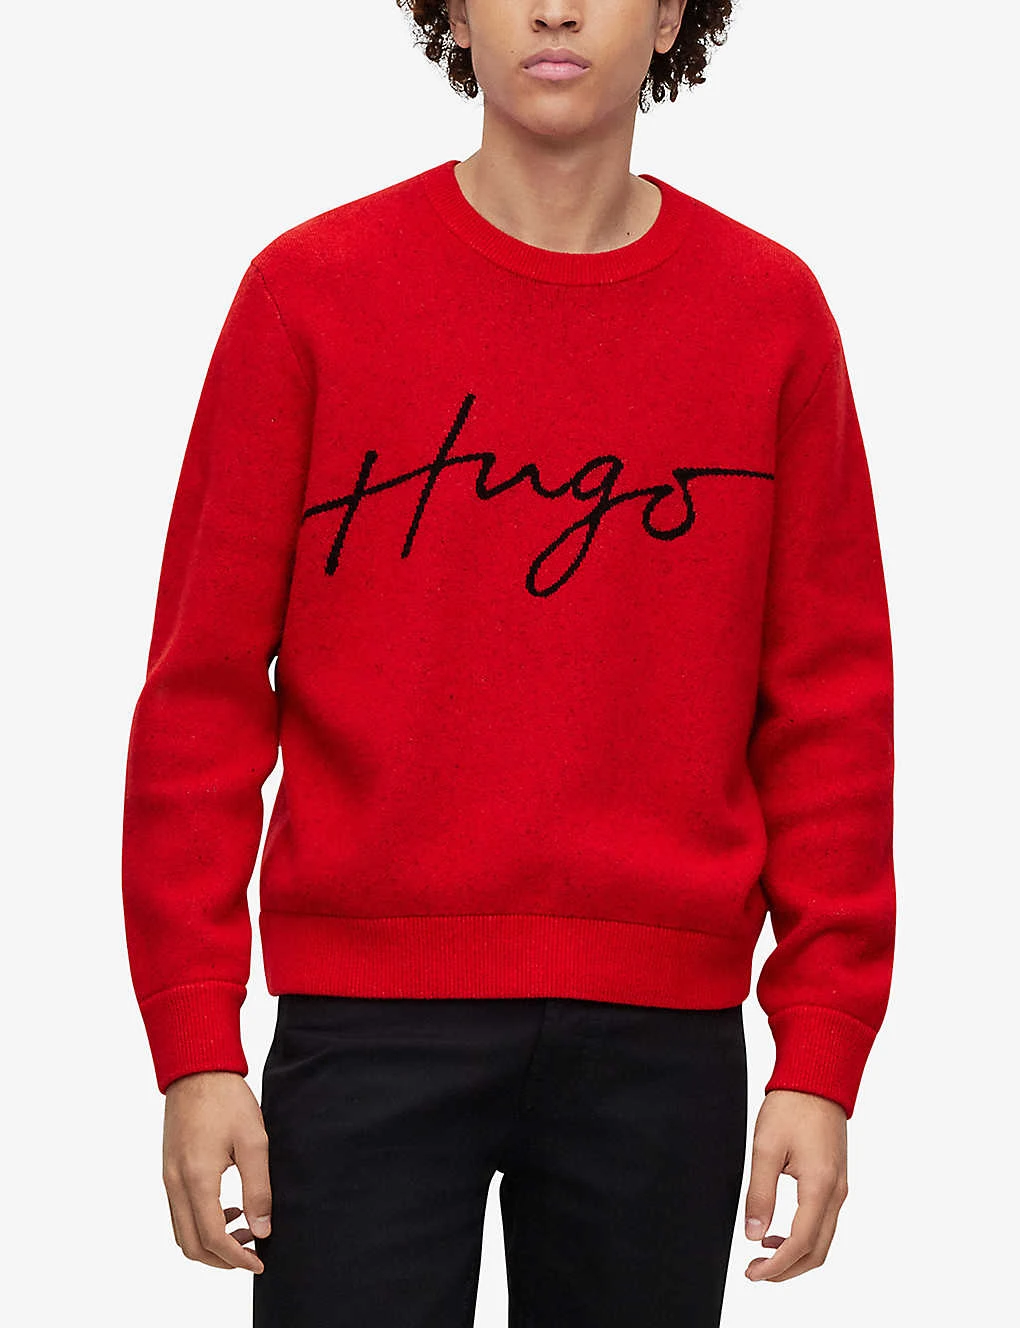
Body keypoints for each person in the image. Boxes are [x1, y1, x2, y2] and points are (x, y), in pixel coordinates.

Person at [121, 2, 896, 1324]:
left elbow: (829, 711)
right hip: (365, 1022)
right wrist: (195, 1043)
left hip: (660, 1041)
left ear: (671, 15)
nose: (555, 7)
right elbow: (201, 697)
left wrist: (820, 1054)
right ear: (453, 12)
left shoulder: (771, 316)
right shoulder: (311, 294)